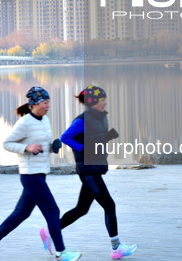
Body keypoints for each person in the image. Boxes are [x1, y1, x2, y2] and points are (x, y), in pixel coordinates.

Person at [0, 86, 82, 261]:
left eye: (48, 102)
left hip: (40, 172)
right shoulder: (25, 122)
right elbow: (7, 143)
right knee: (52, 210)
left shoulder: (44, 120)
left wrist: (53, 147)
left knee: (22, 212)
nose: (48, 105)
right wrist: (26, 147)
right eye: (45, 102)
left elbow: (41, 145)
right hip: (30, 175)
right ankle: (61, 252)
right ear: (35, 104)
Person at [39, 85, 138, 259]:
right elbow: (66, 137)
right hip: (88, 170)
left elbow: (95, 140)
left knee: (81, 209)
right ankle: (116, 248)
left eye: (105, 98)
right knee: (109, 205)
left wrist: (108, 137)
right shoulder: (82, 120)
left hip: (95, 168)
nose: (105, 102)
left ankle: (49, 231)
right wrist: (83, 148)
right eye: (102, 99)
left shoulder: (99, 118)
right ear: (92, 102)